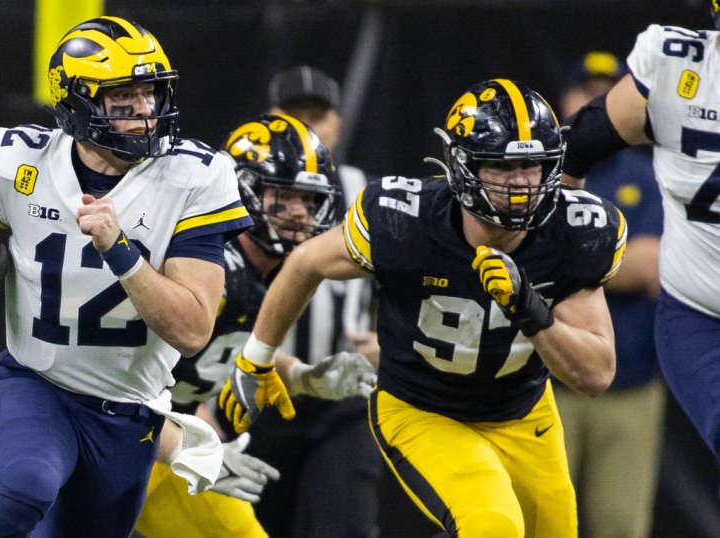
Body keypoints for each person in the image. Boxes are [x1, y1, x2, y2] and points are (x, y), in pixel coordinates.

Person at [0, 16, 253, 537]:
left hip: (130, 416)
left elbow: (193, 330)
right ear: (78, 104)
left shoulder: (195, 176)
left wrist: (121, 250)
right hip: (36, 383)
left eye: (150, 93)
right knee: (24, 488)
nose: (145, 112)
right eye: (122, 98)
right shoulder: (20, 159)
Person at [221, 78, 626, 537]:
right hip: (423, 408)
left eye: (531, 165)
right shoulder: (405, 221)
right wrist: (256, 359)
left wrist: (531, 310)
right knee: (492, 526)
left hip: (522, 412)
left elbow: (595, 375)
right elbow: (304, 264)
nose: (519, 183)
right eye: (500, 165)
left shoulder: (574, 232)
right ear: (462, 165)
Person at [134, 113, 376, 538]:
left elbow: (229, 347)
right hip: (126, 441)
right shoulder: (212, 265)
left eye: (309, 199)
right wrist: (185, 446)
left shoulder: (267, 271)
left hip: (167, 448)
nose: (299, 213)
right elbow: (113, 375)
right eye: (282, 195)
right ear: (242, 190)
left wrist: (301, 376)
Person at [560, 10, 720, 469]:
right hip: (701, 313)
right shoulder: (680, 68)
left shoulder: (640, 177)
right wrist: (555, 248)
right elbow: (581, 142)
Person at [241, 65, 383, 538]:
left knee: (345, 526)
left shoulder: (366, 192)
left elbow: (411, 279)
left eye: (317, 115)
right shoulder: (235, 189)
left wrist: (391, 341)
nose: (306, 126)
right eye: (292, 114)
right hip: (254, 396)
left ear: (337, 123)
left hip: (341, 398)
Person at [554, 51, 665, 538]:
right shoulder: (538, 175)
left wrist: (573, 264)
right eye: (585, 91)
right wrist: (618, 260)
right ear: (564, 100)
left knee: (619, 525)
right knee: (540, 521)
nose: (595, 103)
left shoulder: (652, 177)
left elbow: (657, 267)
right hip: (549, 382)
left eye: (608, 92)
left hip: (631, 386)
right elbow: (533, 268)